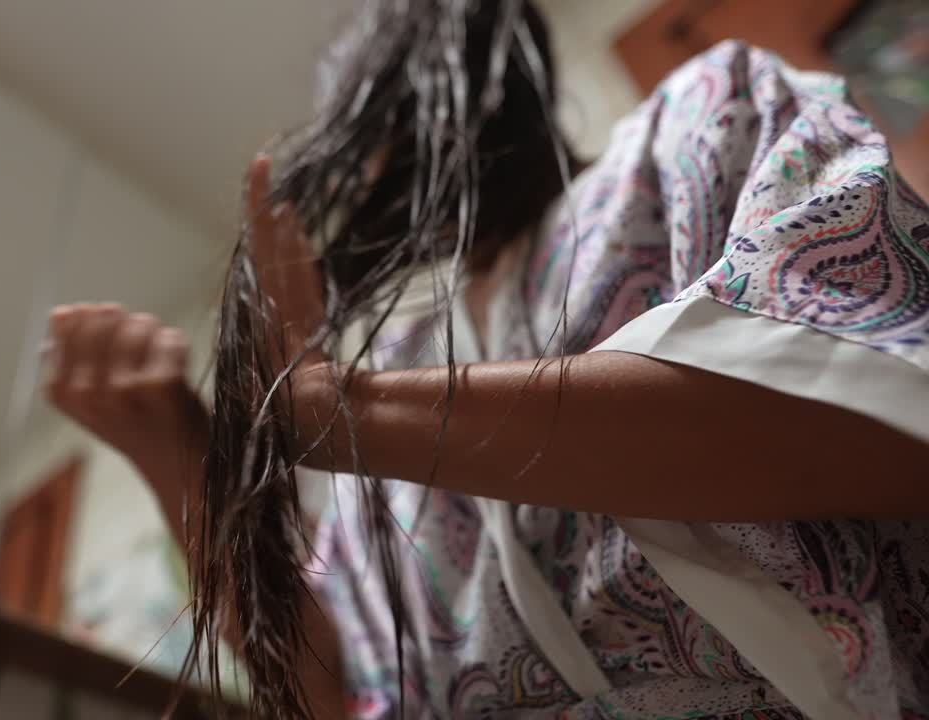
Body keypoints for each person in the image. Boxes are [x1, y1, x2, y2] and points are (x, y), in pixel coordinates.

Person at [48, 0, 929, 717]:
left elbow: (882, 419)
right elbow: (331, 697)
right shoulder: (402, 374)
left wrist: (330, 409)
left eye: (347, 103)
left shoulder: (702, 116)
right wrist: (179, 458)